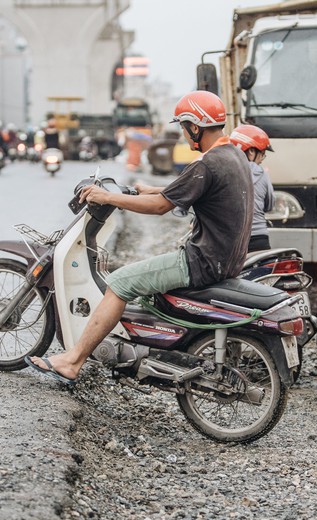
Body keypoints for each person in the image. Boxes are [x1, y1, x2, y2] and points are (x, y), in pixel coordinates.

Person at [26, 90, 254, 385]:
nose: (184, 135)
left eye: (184, 128)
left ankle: (72, 361)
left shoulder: (206, 164)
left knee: (120, 282)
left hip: (201, 261)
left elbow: (161, 208)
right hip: (226, 259)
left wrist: (108, 196)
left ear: (195, 127)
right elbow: (180, 192)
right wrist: (145, 190)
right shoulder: (232, 155)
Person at [229, 124, 276, 252]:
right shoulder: (262, 174)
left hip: (233, 241)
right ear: (251, 151)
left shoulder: (223, 170)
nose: (262, 159)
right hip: (260, 239)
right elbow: (270, 205)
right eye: (262, 154)